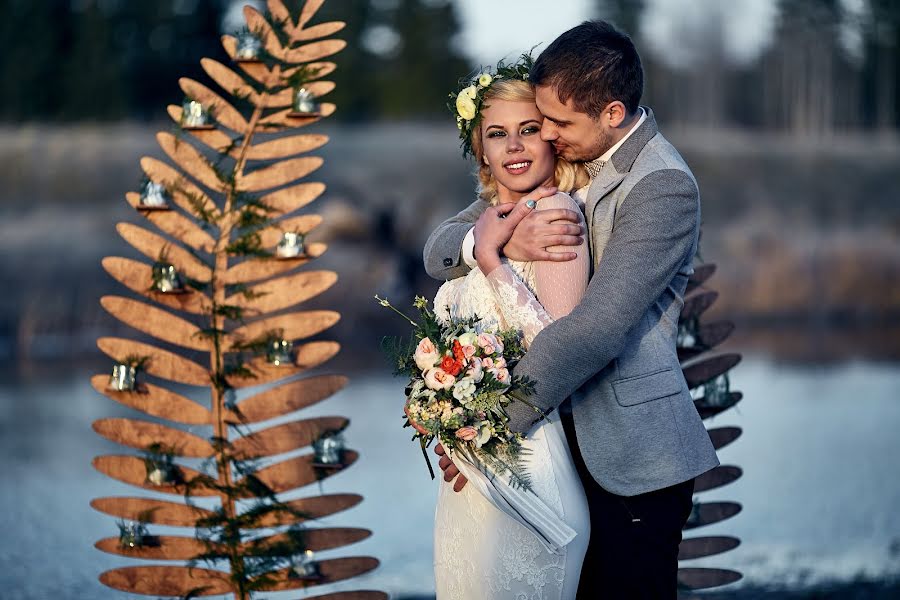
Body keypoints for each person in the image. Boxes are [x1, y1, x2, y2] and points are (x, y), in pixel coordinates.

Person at [424, 21, 720, 598]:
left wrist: (485, 430)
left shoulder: (661, 186)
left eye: (557, 123)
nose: (548, 136)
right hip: (562, 450)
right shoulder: (562, 168)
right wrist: (500, 243)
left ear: (611, 113)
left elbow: (596, 330)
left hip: (632, 459)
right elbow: (443, 248)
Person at [428, 60, 593, 600]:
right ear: (481, 151)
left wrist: (495, 263)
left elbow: (558, 346)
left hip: (530, 465)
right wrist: (448, 423)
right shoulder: (482, 224)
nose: (515, 147)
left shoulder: (557, 214)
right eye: (498, 134)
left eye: (528, 130)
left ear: (552, 139)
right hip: (470, 474)